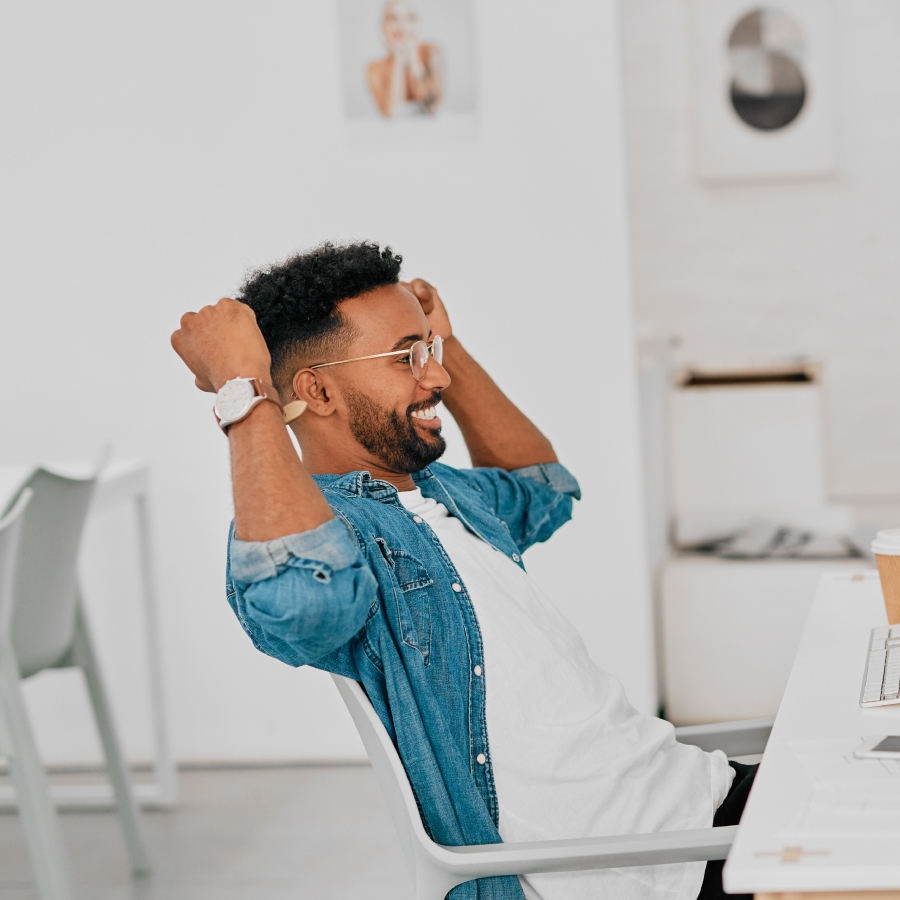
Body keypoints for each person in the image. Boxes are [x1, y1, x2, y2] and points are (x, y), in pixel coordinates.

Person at [170, 241, 757, 900]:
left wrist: (445, 340)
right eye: (407, 357)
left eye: (430, 351)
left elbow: (545, 489)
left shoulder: (443, 492)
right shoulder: (343, 536)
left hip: (706, 797)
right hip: (665, 866)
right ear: (318, 390)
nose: (438, 377)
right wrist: (243, 391)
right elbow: (304, 604)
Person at [366, 0, 442, 118]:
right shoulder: (374, 69)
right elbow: (391, 113)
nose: (402, 25)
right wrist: (398, 58)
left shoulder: (430, 52)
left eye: (409, 18)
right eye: (394, 19)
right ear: (383, 27)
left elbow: (433, 107)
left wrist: (413, 59)